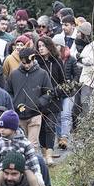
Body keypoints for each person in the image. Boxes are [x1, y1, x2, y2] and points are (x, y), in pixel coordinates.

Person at [6, 47, 53, 151]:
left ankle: (33, 166)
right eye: (24, 63)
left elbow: (49, 92)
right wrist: (14, 103)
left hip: (35, 115)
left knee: (32, 145)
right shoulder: (14, 74)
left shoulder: (42, 74)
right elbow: (8, 92)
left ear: (33, 59)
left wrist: (38, 103)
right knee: (20, 144)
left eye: (29, 62)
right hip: (18, 115)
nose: (26, 65)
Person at [34, 36, 65, 165]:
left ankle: (49, 155)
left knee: (50, 126)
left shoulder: (57, 61)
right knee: (41, 128)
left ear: (49, 46)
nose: (41, 48)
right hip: (40, 100)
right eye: (39, 46)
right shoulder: (36, 63)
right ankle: (44, 153)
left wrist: (57, 91)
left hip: (54, 99)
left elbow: (63, 81)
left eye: (43, 46)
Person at [75, 22, 94, 116]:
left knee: (86, 103)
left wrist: (80, 58)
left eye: (79, 32)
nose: (77, 34)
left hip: (89, 79)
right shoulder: (86, 46)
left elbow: (91, 60)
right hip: (84, 79)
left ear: (84, 33)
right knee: (83, 103)